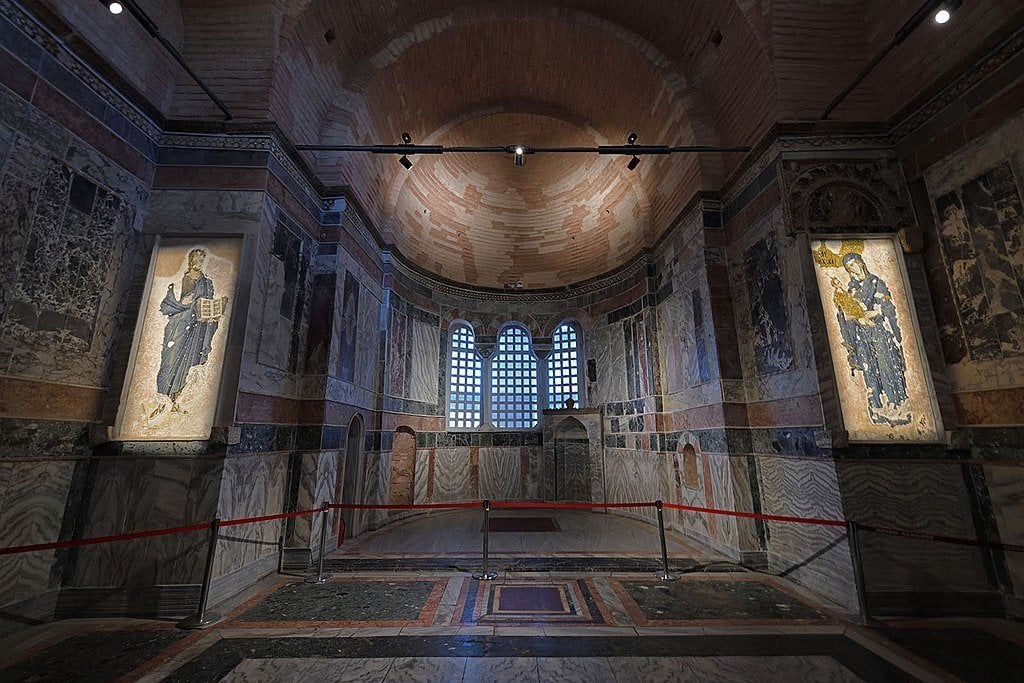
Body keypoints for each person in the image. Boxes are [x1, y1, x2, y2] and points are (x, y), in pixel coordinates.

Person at [832, 252, 910, 426]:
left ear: (861, 263)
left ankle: (896, 406)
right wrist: (845, 310)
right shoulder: (851, 289)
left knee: (886, 367)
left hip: (879, 332)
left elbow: (888, 307)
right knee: (869, 370)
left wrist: (875, 312)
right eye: (849, 266)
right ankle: (877, 409)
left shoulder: (875, 282)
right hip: (862, 336)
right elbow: (846, 314)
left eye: (854, 263)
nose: (853, 268)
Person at [152, 248, 222, 415]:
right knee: (169, 361)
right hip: (179, 325)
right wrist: (183, 300)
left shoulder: (207, 282)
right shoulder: (179, 280)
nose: (199, 263)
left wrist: (213, 314)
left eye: (202, 260)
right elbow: (168, 303)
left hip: (197, 329)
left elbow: (208, 304)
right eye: (197, 259)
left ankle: (176, 401)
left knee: (188, 363)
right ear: (191, 260)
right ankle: (161, 401)